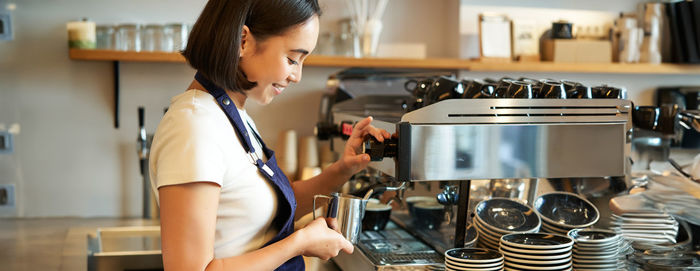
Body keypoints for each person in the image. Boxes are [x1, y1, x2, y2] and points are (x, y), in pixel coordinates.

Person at [148, 0, 391, 270]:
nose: (297, 75)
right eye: (291, 59)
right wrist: (299, 243)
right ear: (243, 41)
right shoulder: (193, 126)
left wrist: (344, 169)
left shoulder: (230, 115)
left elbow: (271, 208)